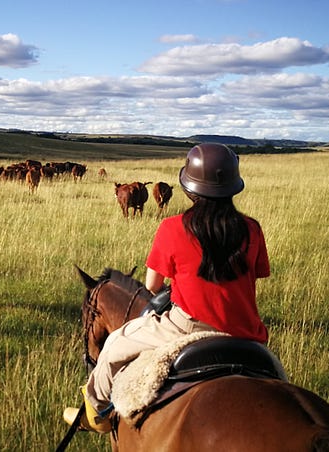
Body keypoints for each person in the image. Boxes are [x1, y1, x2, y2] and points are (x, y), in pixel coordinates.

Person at [63, 143, 271, 432]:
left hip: (187, 326)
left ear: (189, 188)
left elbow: (151, 285)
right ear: (233, 187)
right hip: (247, 332)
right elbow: (257, 275)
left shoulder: (173, 227)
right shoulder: (252, 228)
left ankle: (96, 414)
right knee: (278, 381)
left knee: (113, 346)